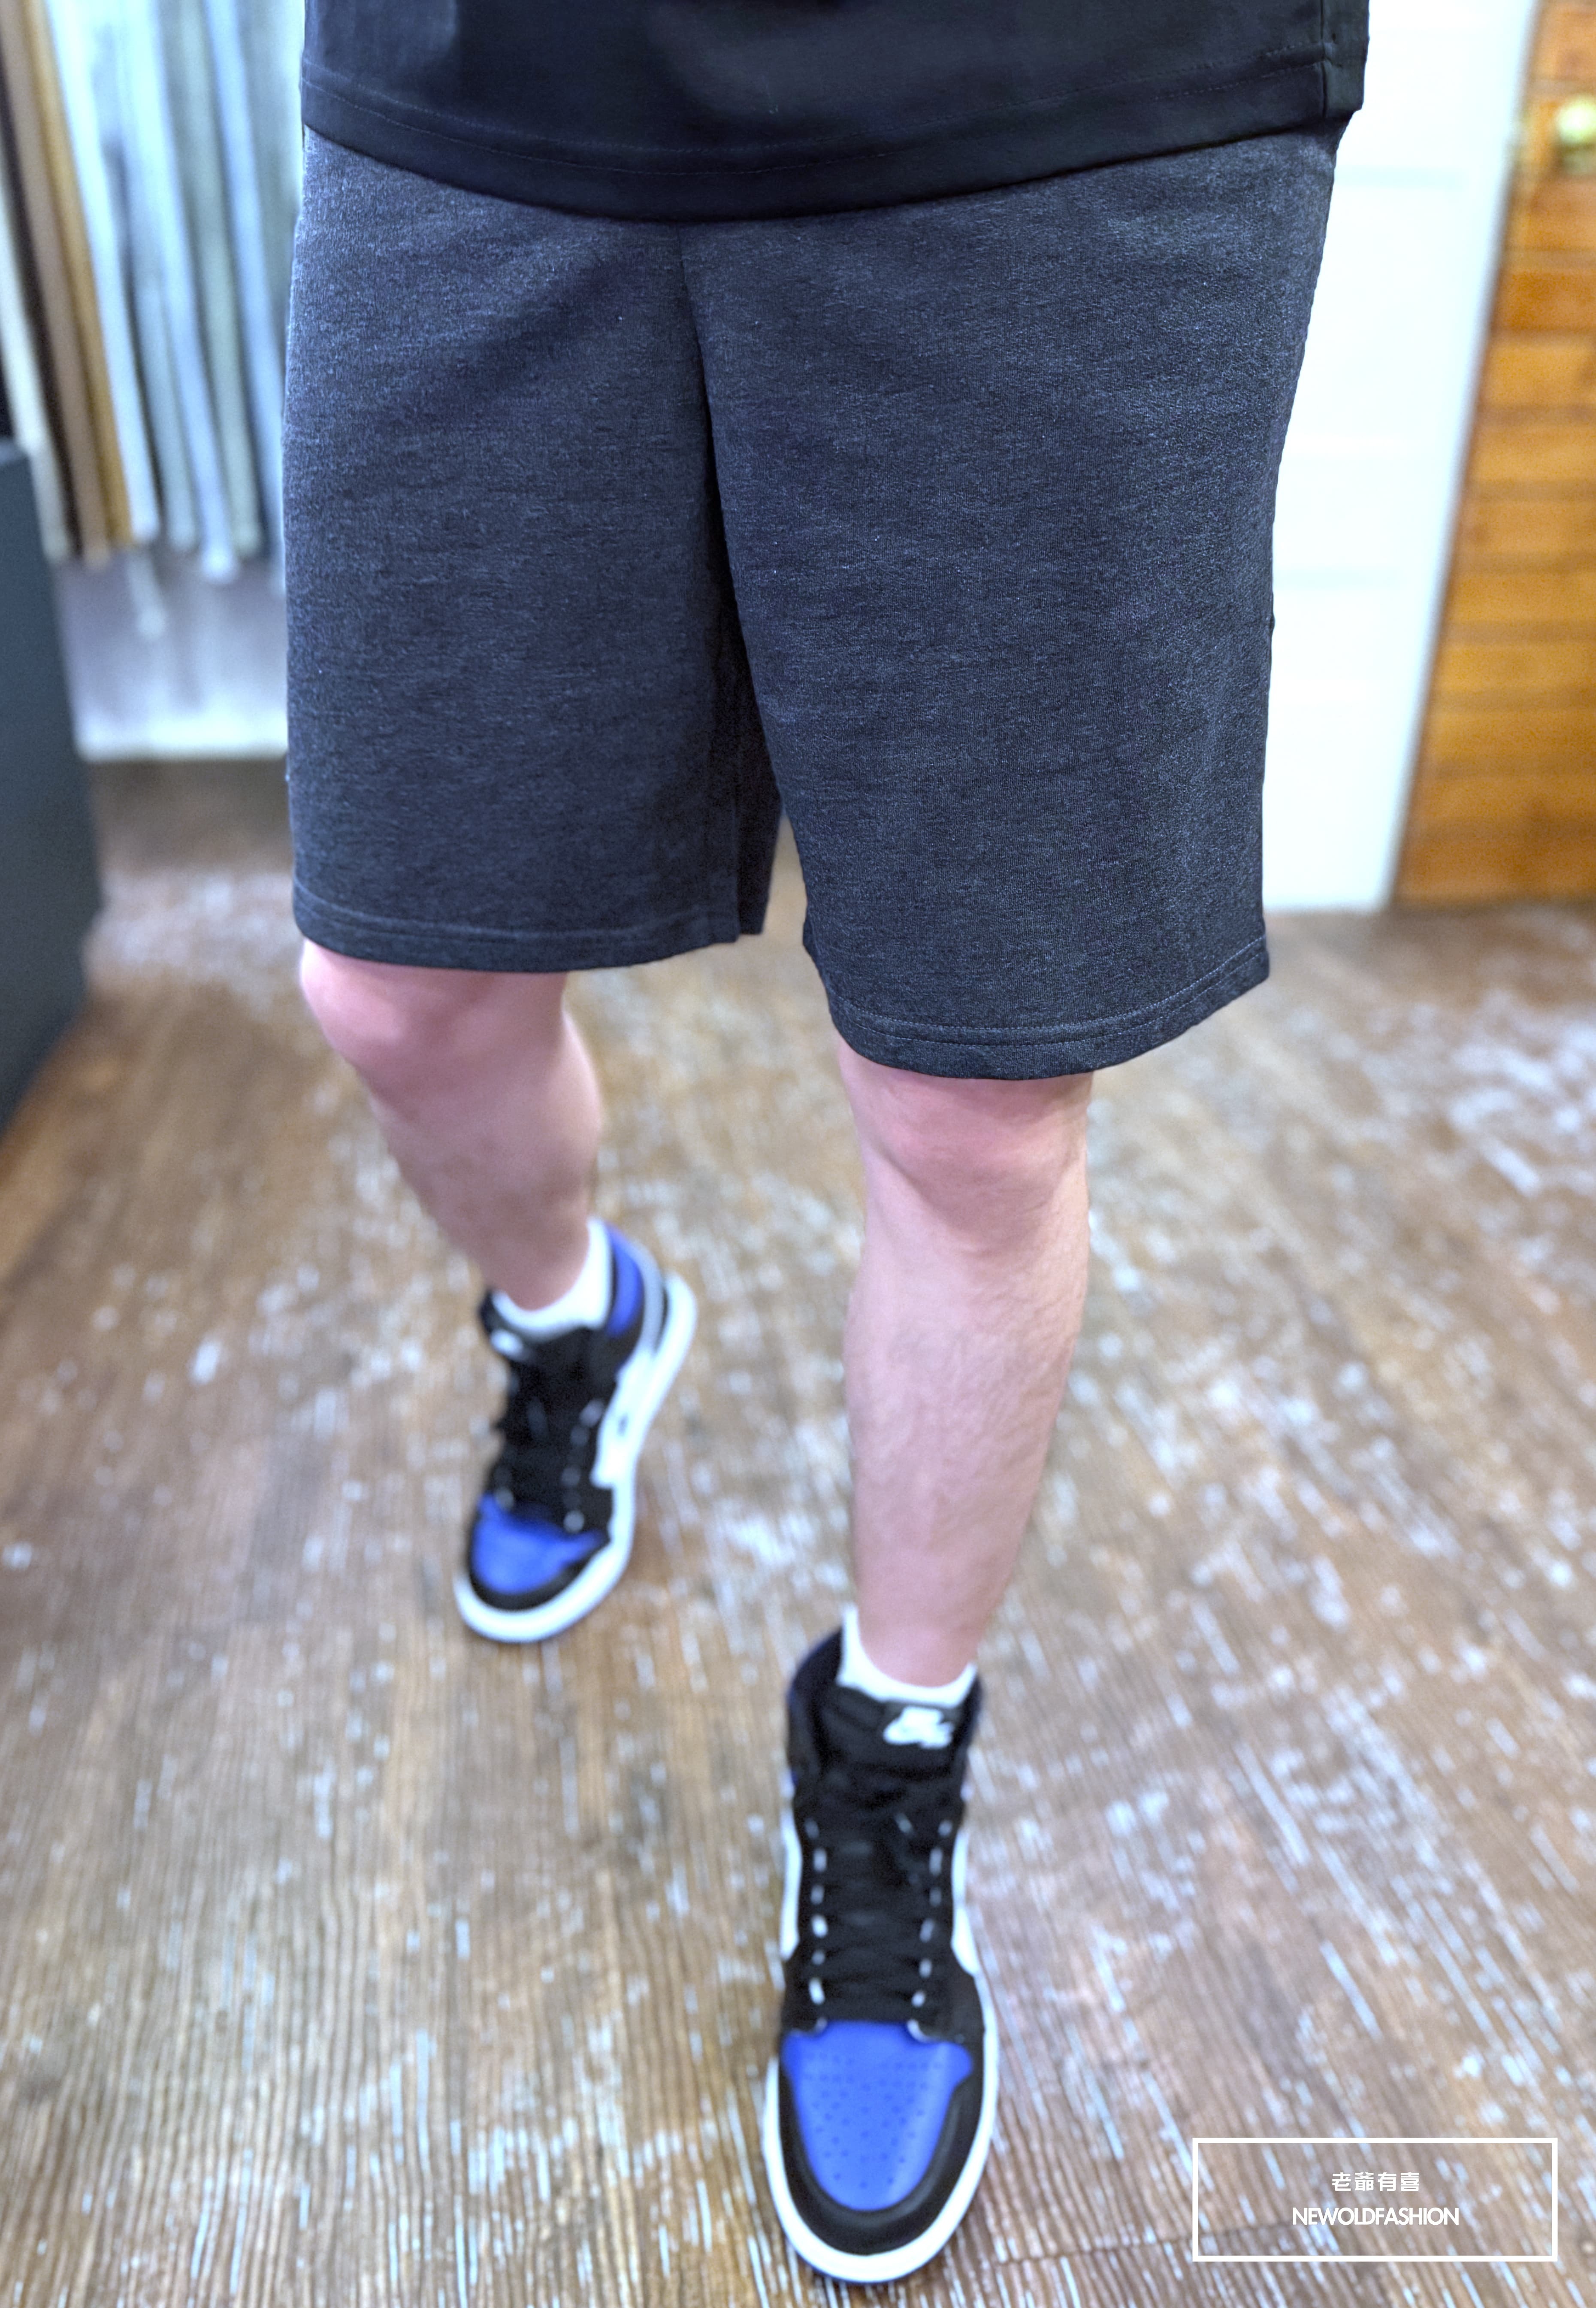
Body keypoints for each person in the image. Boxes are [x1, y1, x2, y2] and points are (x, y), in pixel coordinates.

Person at [283, 2, 1367, 2280]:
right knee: (396, 989)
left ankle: (889, 1753)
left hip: (1066, 111)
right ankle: (579, 1323)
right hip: (490, 87)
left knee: (973, 1102)